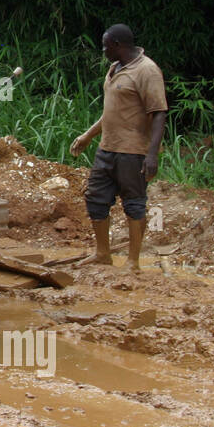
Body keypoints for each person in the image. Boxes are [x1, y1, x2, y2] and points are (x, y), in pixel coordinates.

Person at [69, 24, 167, 271]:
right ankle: (102, 253)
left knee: (134, 203)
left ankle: (133, 261)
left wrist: (152, 154)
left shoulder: (147, 71)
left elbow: (158, 114)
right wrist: (88, 135)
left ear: (117, 45)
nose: (103, 51)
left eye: (105, 46)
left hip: (133, 151)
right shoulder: (114, 69)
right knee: (96, 199)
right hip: (107, 148)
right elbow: (111, 113)